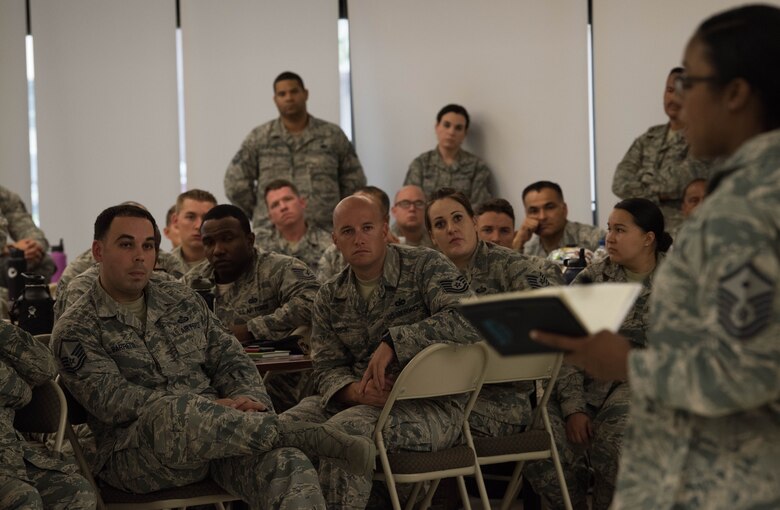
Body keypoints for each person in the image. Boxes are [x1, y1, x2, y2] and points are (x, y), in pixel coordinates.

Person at [532, 5, 780, 508]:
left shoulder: (750, 208)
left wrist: (627, 364)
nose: (677, 101)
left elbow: (752, 370)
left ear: (735, 93)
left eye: (691, 82)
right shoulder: (749, 190)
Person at [52, 204, 375, 508]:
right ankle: (302, 435)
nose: (139, 257)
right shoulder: (76, 328)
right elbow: (113, 401)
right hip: (140, 455)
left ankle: (289, 438)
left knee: (287, 463)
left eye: (148, 246)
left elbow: (230, 358)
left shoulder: (180, 297)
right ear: (98, 252)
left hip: (224, 442)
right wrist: (204, 409)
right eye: (126, 245)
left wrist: (248, 399)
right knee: (174, 411)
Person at [281, 194, 482, 509]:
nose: (359, 238)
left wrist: (394, 341)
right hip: (357, 402)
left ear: (384, 229)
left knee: (342, 436)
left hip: (429, 406)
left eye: (367, 227)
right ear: (335, 240)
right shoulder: (330, 296)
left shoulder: (424, 265)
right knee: (282, 429)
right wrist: (354, 393)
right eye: (348, 231)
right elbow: (324, 368)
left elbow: (472, 318)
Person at [525, 198, 671, 510]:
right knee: (544, 449)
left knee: (617, 443)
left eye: (620, 230)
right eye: (608, 229)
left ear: (649, 238)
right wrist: (573, 409)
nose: (610, 238)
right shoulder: (593, 278)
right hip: (578, 384)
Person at [425, 188, 562, 438]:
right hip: (438, 390)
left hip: (500, 400)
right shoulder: (425, 275)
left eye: (458, 218)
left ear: (474, 222)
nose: (451, 229)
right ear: (433, 237)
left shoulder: (513, 266)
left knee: (414, 424)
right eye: (440, 224)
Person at [183, 204, 320, 411]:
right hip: (213, 393)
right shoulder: (193, 282)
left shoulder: (280, 268)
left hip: (279, 390)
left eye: (227, 239)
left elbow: (312, 301)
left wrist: (251, 329)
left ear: (250, 240)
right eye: (209, 242)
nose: (218, 250)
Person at [225, 71, 366, 233]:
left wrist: (337, 212)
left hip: (324, 230)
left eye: (294, 91)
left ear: (305, 94)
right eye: (282, 94)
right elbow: (234, 183)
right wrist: (262, 211)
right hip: (272, 234)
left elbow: (355, 180)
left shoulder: (332, 135)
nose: (289, 98)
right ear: (275, 99)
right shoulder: (260, 137)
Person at [0, 322, 96, 510]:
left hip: (9, 454)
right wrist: (23, 389)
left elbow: (45, 368)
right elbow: (17, 393)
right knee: (22, 499)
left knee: (76, 491)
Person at [612, 67, 711, 231]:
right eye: (669, 90)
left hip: (682, 231)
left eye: (680, 91)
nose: (673, 98)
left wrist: (643, 181)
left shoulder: (703, 138)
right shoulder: (649, 138)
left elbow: (679, 181)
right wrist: (658, 194)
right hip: (644, 233)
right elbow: (619, 182)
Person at [404, 104, 494, 208]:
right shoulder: (421, 164)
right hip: (425, 224)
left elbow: (479, 208)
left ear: (465, 133)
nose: (451, 132)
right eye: (446, 125)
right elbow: (409, 204)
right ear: (437, 127)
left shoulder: (477, 167)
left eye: (458, 128)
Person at [316, 185, 395, 282]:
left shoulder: (406, 259)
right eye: (348, 231)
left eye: (367, 228)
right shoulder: (333, 255)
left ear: (385, 226)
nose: (358, 240)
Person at [253, 179, 333, 274]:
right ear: (270, 216)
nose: (283, 207)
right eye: (275, 205)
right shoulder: (258, 248)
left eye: (287, 199)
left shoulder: (328, 243)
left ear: (302, 203)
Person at [514, 181, 605, 257]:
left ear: (564, 209)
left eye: (549, 207)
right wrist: (518, 243)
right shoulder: (527, 249)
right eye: (534, 211)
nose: (542, 217)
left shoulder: (595, 239)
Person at [169, 189, 217, 271]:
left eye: (206, 218)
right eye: (191, 217)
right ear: (175, 221)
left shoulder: (227, 264)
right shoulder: (160, 265)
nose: (199, 226)